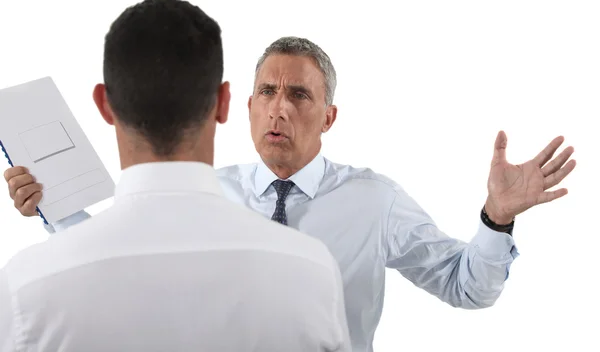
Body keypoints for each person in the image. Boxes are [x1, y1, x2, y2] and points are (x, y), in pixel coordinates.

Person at [4, 36, 576, 352]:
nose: (279, 106)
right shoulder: (208, 189)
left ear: (328, 116)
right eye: (267, 91)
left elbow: (467, 287)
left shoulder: (374, 200)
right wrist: (54, 210)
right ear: (246, 108)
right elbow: (123, 265)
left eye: (298, 95)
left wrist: (496, 219)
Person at [0, 0, 352, 352]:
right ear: (226, 102)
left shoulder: (27, 286)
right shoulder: (312, 271)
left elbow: (110, 254)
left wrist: (61, 216)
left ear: (105, 104)